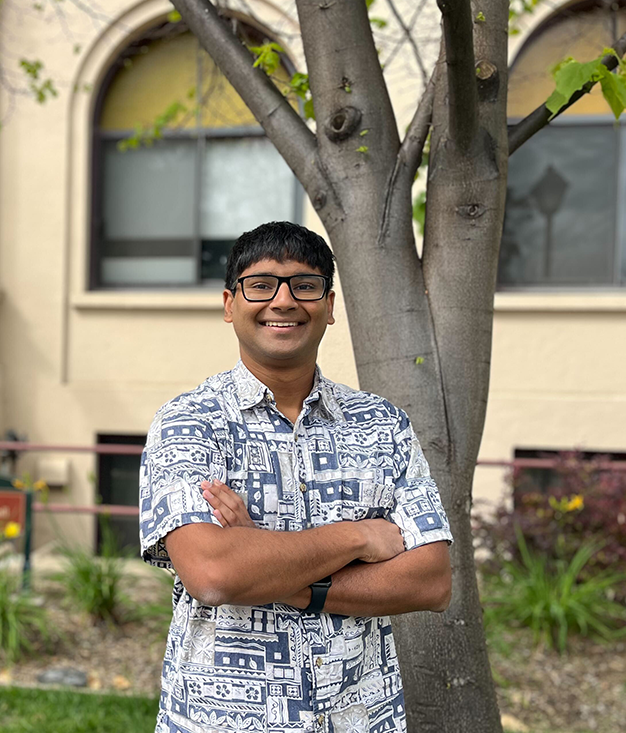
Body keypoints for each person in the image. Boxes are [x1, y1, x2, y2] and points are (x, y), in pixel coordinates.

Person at [138, 221, 453, 733]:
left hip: (361, 718)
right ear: (228, 305)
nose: (283, 300)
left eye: (304, 285)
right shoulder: (189, 423)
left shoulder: (382, 425)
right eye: (260, 285)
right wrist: (357, 537)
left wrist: (266, 562)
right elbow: (214, 575)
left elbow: (431, 581)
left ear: (329, 307)